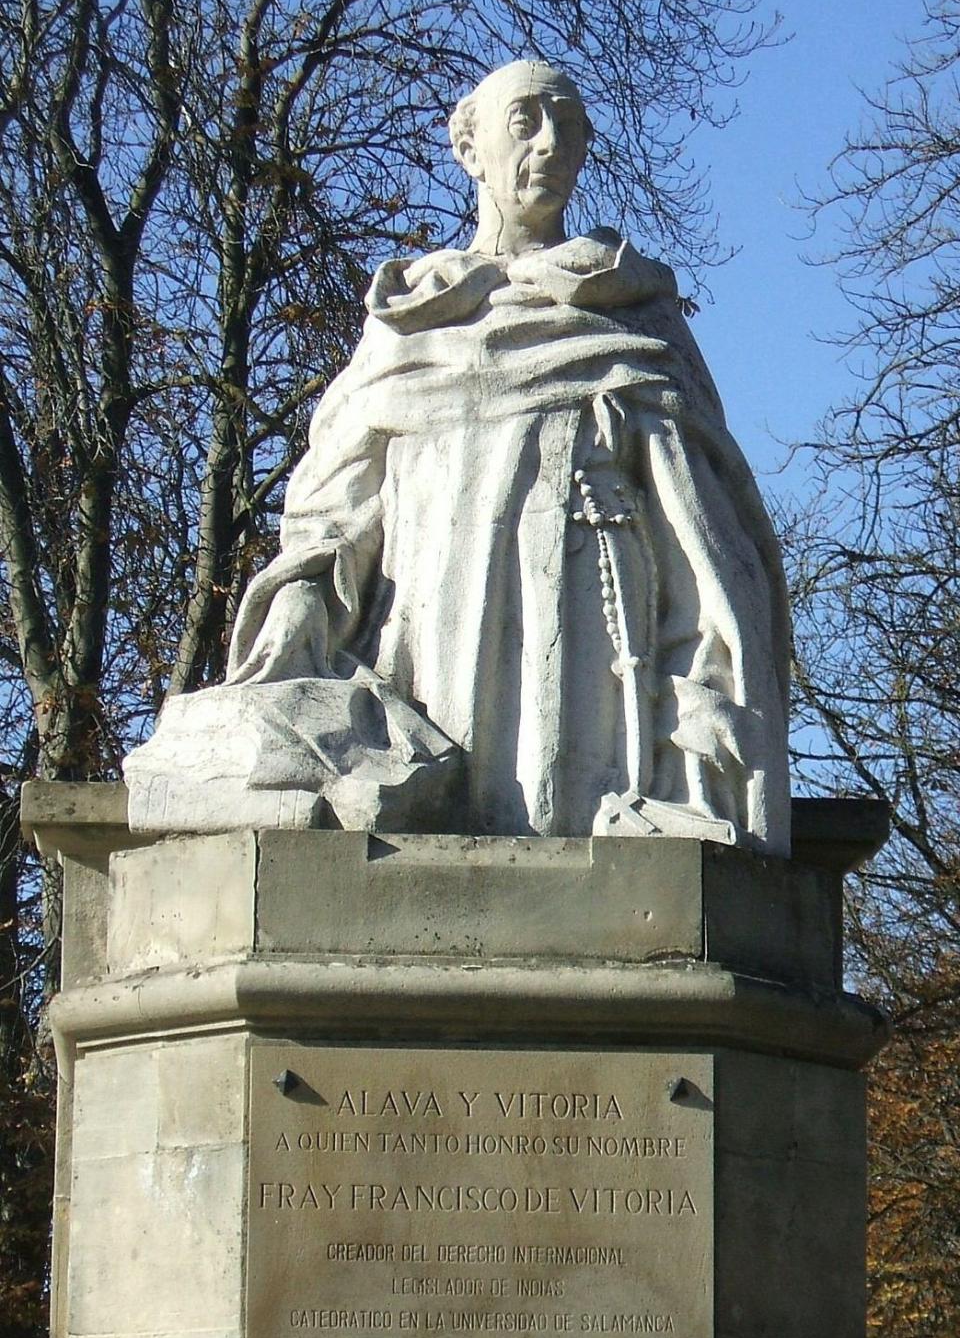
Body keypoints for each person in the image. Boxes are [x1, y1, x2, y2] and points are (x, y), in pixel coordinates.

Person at [128, 61, 791, 852]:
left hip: (594, 635)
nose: (548, 144)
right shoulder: (413, 320)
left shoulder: (632, 311)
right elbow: (338, 505)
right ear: (470, 146)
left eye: (565, 127)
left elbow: (707, 527)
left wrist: (716, 672)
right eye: (525, 121)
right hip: (430, 625)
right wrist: (302, 603)